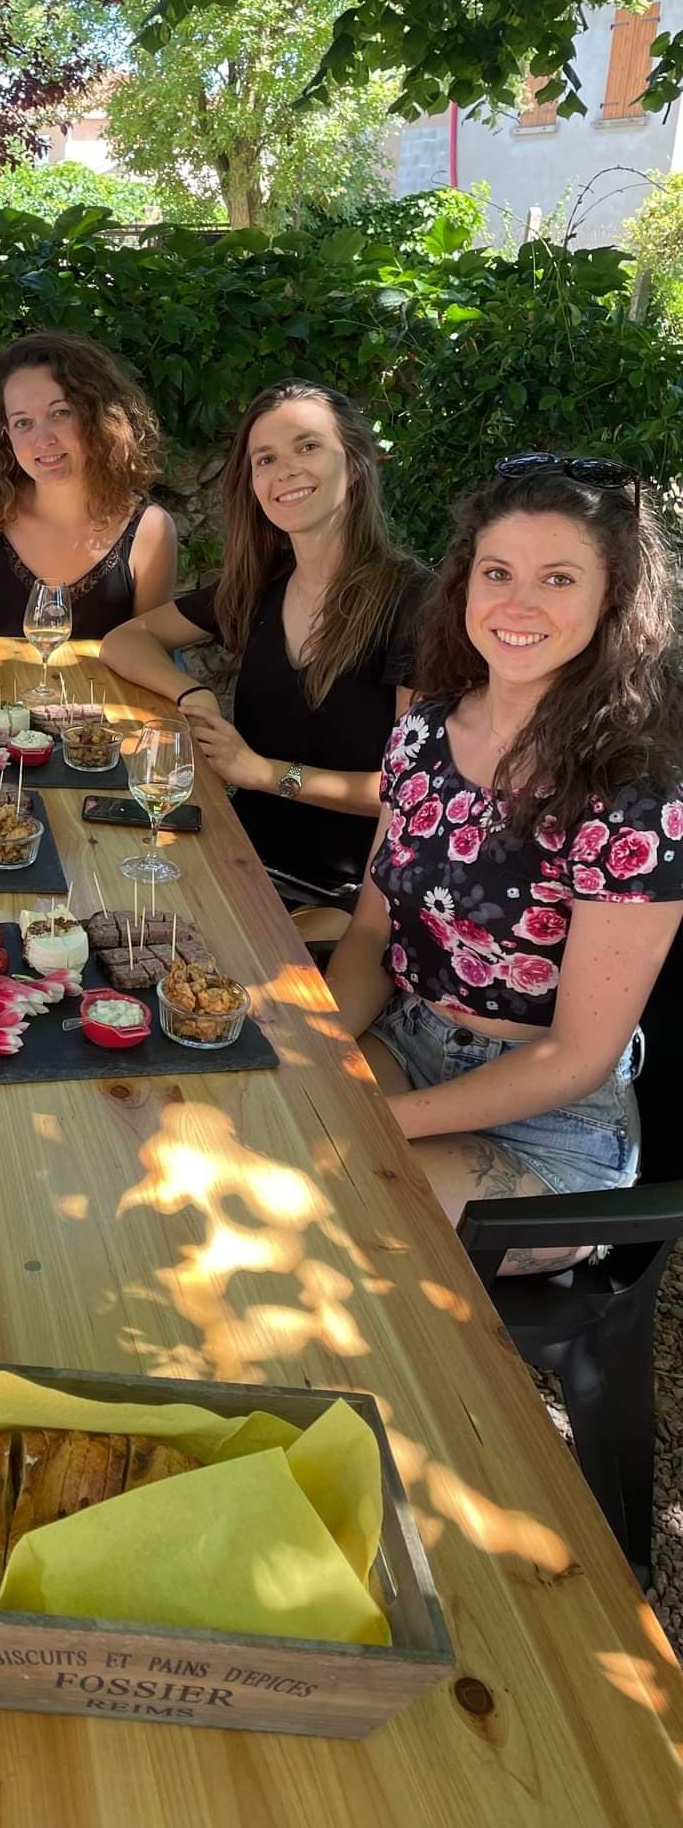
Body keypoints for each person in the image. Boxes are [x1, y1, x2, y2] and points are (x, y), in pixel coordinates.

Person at [324, 458, 683, 1268]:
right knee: (252, 1138)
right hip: (407, 1039)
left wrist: (366, 1123)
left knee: (330, 1213)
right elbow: (372, 933)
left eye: (558, 578)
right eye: (497, 573)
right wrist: (316, 1063)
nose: (518, 605)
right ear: (464, 585)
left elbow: (578, 1056)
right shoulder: (423, 733)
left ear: (613, 599)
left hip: (551, 1122)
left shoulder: (635, 793)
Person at [100, 379, 428, 930]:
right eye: (266, 459)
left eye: (308, 446)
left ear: (356, 462)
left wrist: (263, 773)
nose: (285, 471)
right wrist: (192, 692)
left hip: (350, 894)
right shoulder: (262, 584)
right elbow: (124, 640)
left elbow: (412, 790)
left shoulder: (415, 601)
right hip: (237, 855)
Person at [0, 332, 179, 640]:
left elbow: (150, 656)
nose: (43, 439)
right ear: (6, 435)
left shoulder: (149, 531)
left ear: (98, 416)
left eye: (60, 413)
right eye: (23, 422)